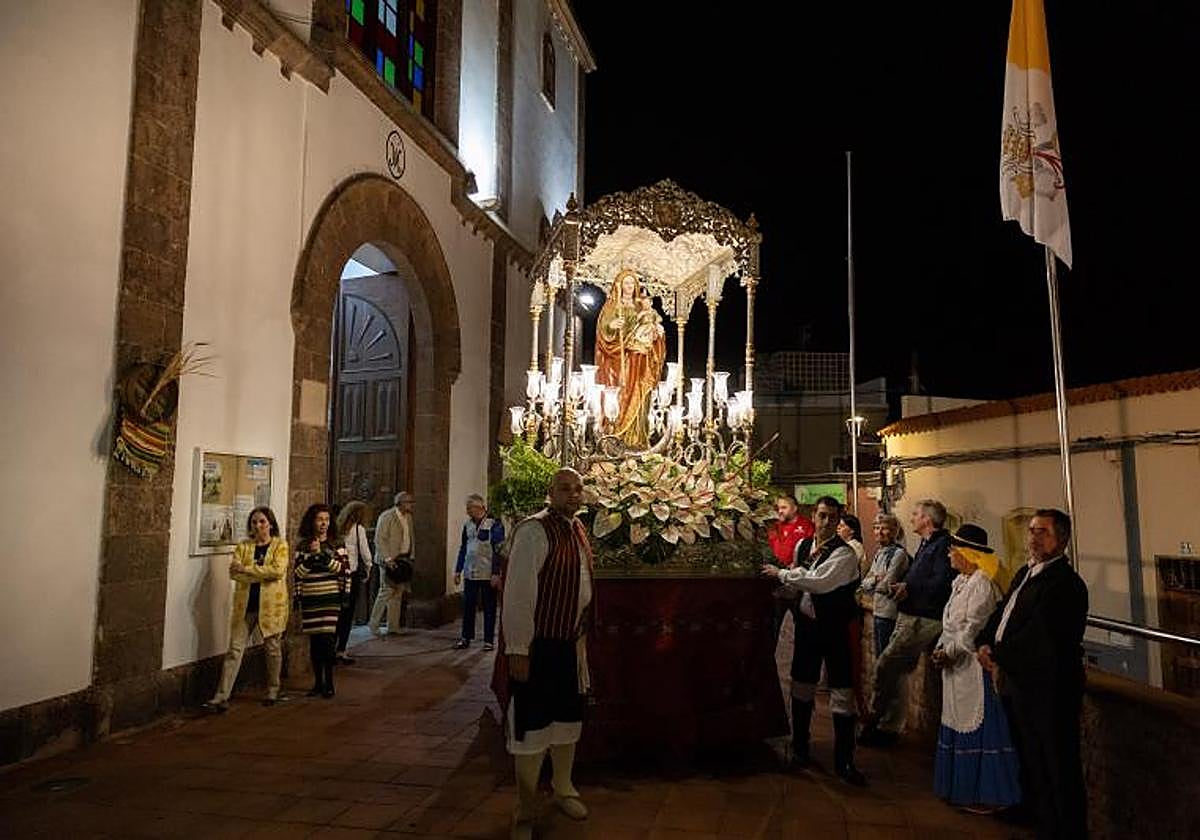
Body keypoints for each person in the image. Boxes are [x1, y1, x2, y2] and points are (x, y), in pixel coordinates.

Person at [976, 509, 1088, 839]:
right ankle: (1035, 811)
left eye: (1043, 532)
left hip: (1049, 689)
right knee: (1029, 754)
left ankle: (1065, 828)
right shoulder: (1027, 572)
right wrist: (984, 640)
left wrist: (997, 653)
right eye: (1031, 531)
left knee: (1057, 761)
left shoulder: (1065, 585)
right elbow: (1004, 612)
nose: (1034, 538)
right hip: (1019, 682)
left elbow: (1040, 637)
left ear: (1062, 540)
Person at [497, 468, 594, 840]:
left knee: (567, 721)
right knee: (532, 726)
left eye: (578, 489)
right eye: (565, 489)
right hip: (540, 647)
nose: (573, 494)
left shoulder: (577, 529)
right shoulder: (534, 531)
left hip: (570, 645)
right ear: (550, 492)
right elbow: (519, 593)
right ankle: (524, 808)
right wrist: (518, 649)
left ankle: (564, 787)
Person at [761, 495, 866, 786]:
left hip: (834, 628)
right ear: (814, 515)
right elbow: (800, 576)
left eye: (833, 517)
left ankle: (844, 760)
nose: (827, 522)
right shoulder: (804, 545)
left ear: (839, 520)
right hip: (808, 626)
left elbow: (817, 582)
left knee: (841, 691)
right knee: (801, 684)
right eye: (822, 516)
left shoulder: (844, 555)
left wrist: (780, 574)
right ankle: (800, 747)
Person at [931, 524, 1020, 812]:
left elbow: (972, 628)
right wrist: (941, 648)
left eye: (952, 549)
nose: (948, 555)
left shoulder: (982, 584)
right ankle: (960, 787)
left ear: (966, 553)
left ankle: (986, 792)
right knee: (956, 719)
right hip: (954, 669)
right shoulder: (961, 582)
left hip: (971, 669)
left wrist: (951, 651)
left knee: (979, 725)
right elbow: (950, 623)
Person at [860, 499, 955, 747]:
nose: (911, 518)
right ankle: (887, 725)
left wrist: (907, 588)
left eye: (915, 514)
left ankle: (878, 721)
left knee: (885, 666)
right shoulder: (927, 544)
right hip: (911, 616)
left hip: (921, 618)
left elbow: (941, 583)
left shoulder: (942, 546)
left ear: (927, 519)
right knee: (894, 670)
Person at [203, 506, 290, 711]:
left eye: (261, 521)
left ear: (270, 523)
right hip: (246, 606)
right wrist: (256, 573)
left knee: (272, 649)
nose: (258, 526)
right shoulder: (244, 546)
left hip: (271, 607)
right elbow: (235, 573)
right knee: (234, 649)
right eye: (254, 522)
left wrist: (248, 569)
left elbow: (277, 571)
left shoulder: (280, 546)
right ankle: (221, 695)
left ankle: (273, 688)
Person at [594, 269, 666, 447]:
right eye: (626, 283)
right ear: (619, 286)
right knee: (621, 395)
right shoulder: (611, 306)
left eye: (632, 283)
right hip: (619, 361)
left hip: (640, 358)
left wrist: (658, 332)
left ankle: (637, 438)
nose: (629, 287)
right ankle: (616, 435)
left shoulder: (641, 306)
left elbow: (652, 325)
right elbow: (603, 334)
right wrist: (612, 326)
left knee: (640, 394)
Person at [294, 503, 348, 698]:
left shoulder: (337, 543)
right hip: (311, 597)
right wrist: (310, 557)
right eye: (319, 519)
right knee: (315, 642)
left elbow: (342, 569)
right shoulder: (302, 545)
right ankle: (317, 683)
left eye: (326, 519)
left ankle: (330, 682)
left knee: (327, 641)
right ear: (312, 522)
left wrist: (322, 556)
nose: (323, 523)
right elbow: (298, 573)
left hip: (330, 597)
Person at [454, 494, 505, 651]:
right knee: (468, 605)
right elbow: (464, 548)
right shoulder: (467, 525)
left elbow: (498, 550)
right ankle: (466, 637)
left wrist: (496, 573)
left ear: (480, 508)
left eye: (470, 508)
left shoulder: (494, 524)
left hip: (487, 572)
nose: (468, 511)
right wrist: (458, 569)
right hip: (471, 572)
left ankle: (488, 640)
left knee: (489, 607)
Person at [766, 494, 815, 643]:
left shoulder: (806, 526)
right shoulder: (774, 528)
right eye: (778, 508)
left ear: (794, 508)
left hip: (796, 583)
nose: (780, 511)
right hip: (776, 583)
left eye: (784, 507)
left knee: (803, 626)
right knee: (772, 627)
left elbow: (812, 552)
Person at [861, 513, 910, 657]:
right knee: (878, 655)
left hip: (889, 613)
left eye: (884, 528)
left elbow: (886, 585)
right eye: (876, 528)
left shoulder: (898, 554)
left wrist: (874, 580)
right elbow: (865, 583)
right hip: (878, 610)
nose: (879, 532)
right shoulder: (880, 553)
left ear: (894, 531)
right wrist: (876, 579)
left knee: (885, 658)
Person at [370, 491, 415, 637]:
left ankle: (393, 626)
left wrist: (411, 555)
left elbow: (411, 537)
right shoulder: (387, 516)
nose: (411, 504)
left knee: (398, 593)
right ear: (400, 503)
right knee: (386, 591)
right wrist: (387, 558)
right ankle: (374, 625)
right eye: (408, 502)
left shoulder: (408, 517)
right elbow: (380, 539)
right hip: (389, 559)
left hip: (403, 559)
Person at [335, 501, 372, 664]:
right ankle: (341, 650)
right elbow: (365, 553)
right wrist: (369, 568)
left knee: (336, 614)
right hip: (352, 574)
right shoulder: (358, 529)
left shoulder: (337, 528)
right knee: (347, 614)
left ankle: (331, 648)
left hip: (337, 574)